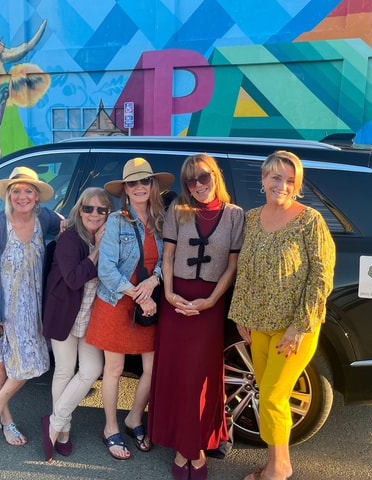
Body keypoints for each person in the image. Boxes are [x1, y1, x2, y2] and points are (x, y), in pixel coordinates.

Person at [228, 150, 335, 480]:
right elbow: (245, 270)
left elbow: (322, 275)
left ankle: (276, 472)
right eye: (276, 177)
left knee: (273, 397)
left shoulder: (310, 221)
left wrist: (300, 325)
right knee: (269, 394)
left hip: (294, 329)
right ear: (263, 179)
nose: (283, 186)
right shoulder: (251, 218)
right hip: (258, 325)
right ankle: (280, 462)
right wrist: (241, 314)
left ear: (297, 185)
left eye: (291, 180)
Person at [148, 153, 244, 480]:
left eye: (204, 177)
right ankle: (182, 446)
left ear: (215, 176)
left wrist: (211, 301)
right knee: (176, 375)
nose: (198, 185)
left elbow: (232, 265)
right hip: (176, 302)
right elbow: (168, 255)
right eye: (191, 180)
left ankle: (196, 446)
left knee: (200, 378)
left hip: (209, 305)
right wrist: (169, 294)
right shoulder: (178, 210)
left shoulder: (235, 215)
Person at [85, 157, 174, 460]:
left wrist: (154, 281)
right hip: (117, 302)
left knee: (152, 367)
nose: (139, 187)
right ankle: (110, 427)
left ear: (152, 185)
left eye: (144, 181)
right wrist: (139, 295)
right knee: (114, 369)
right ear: (125, 189)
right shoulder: (116, 221)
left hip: (147, 301)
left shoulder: (162, 220)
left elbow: (167, 260)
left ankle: (134, 417)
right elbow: (106, 270)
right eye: (132, 182)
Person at [0, 166, 62, 447]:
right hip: (1, 310)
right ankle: (5, 421)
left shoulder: (43, 218)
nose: (23, 196)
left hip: (33, 308)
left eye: (28, 191)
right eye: (16, 191)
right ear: (8, 195)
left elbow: (69, 225)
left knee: (32, 364)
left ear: (37, 196)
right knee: (0, 360)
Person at [41, 187, 113, 460]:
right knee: (64, 370)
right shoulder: (70, 238)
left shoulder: (110, 236)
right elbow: (73, 279)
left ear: (108, 213)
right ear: (79, 210)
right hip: (65, 312)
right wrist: (97, 251)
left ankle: (55, 421)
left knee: (92, 369)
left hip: (91, 316)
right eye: (88, 208)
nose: (94, 214)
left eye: (101, 209)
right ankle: (64, 431)